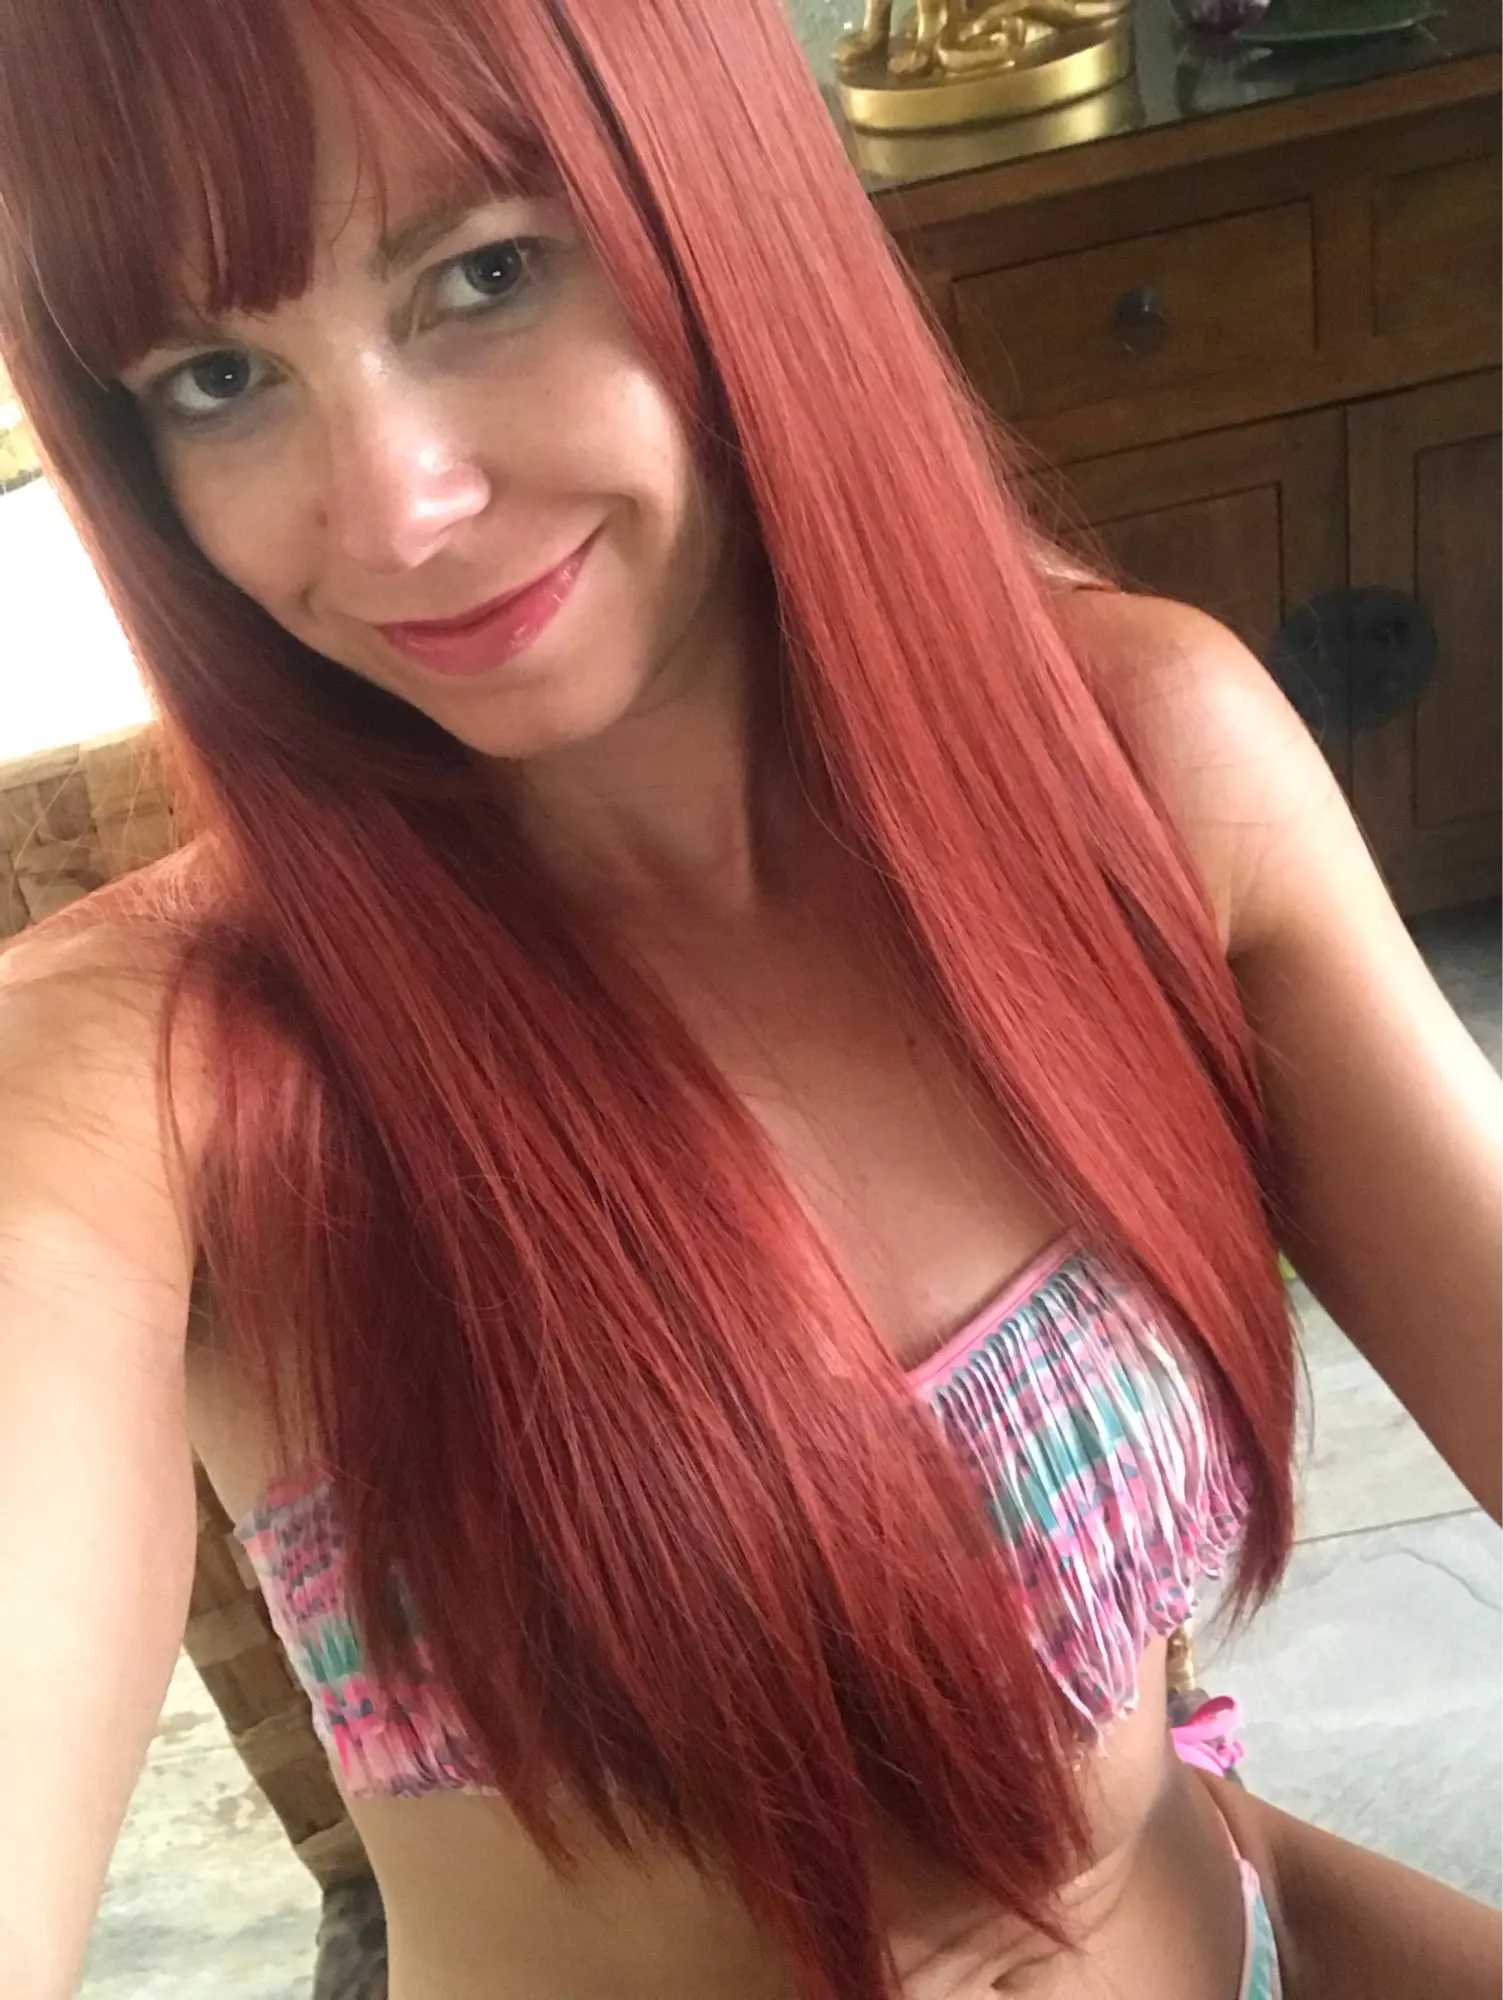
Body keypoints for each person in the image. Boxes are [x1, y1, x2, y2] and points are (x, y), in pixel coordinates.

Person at [0, 3, 1497, 1997]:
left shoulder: (1139, 773)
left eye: (484, 274)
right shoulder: (146, 1071)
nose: (393, 509)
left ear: (718, 208)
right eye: (217, 377)